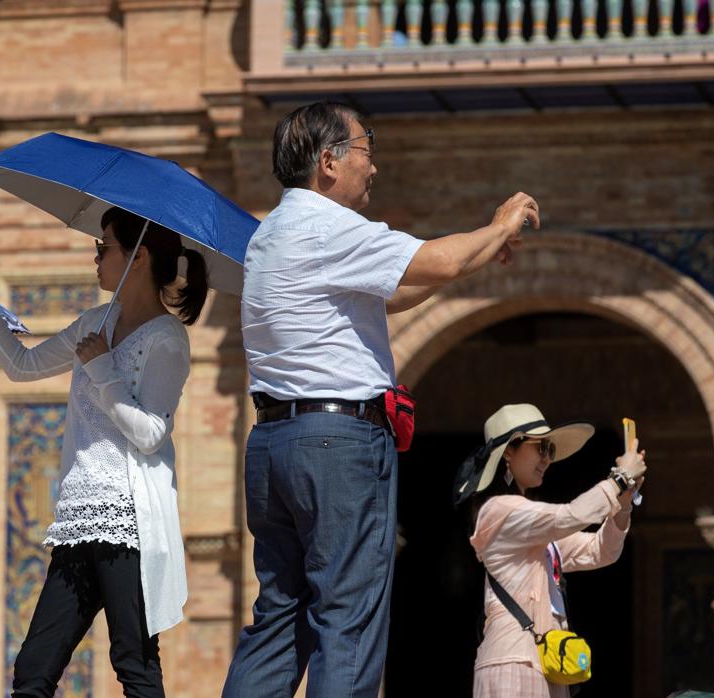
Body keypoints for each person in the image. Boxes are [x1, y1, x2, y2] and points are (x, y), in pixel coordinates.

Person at [223, 100, 539, 697]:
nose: (374, 166)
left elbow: (386, 296)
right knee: (348, 619)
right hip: (337, 446)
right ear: (328, 162)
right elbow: (436, 258)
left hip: (274, 443)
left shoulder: (270, 233)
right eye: (367, 148)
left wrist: (466, 262)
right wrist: (499, 225)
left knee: (279, 619)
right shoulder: (330, 226)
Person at [0, 207, 209, 698]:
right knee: (32, 670)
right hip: (79, 519)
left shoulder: (167, 339)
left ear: (137, 257)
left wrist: (102, 371)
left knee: (134, 664)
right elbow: (22, 365)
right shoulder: (95, 323)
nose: (95, 257)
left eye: (104, 248)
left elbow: (150, 433)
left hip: (129, 520)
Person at [460, 403, 646, 698]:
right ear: (508, 451)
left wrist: (623, 505)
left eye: (550, 449)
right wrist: (619, 478)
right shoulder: (498, 511)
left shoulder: (534, 525)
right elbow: (569, 516)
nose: (547, 458)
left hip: (548, 664)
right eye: (539, 447)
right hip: (513, 662)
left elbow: (601, 551)